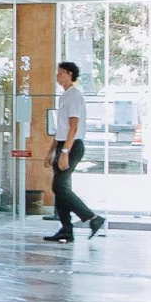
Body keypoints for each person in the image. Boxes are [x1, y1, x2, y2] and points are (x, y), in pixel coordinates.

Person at [45, 61, 106, 242]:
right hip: (63, 144)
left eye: (61, 73)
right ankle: (66, 229)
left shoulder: (74, 96)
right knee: (61, 188)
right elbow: (60, 128)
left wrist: (65, 152)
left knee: (59, 186)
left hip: (72, 145)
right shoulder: (64, 97)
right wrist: (51, 151)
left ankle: (92, 218)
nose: (58, 76)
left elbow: (73, 126)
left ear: (70, 74)